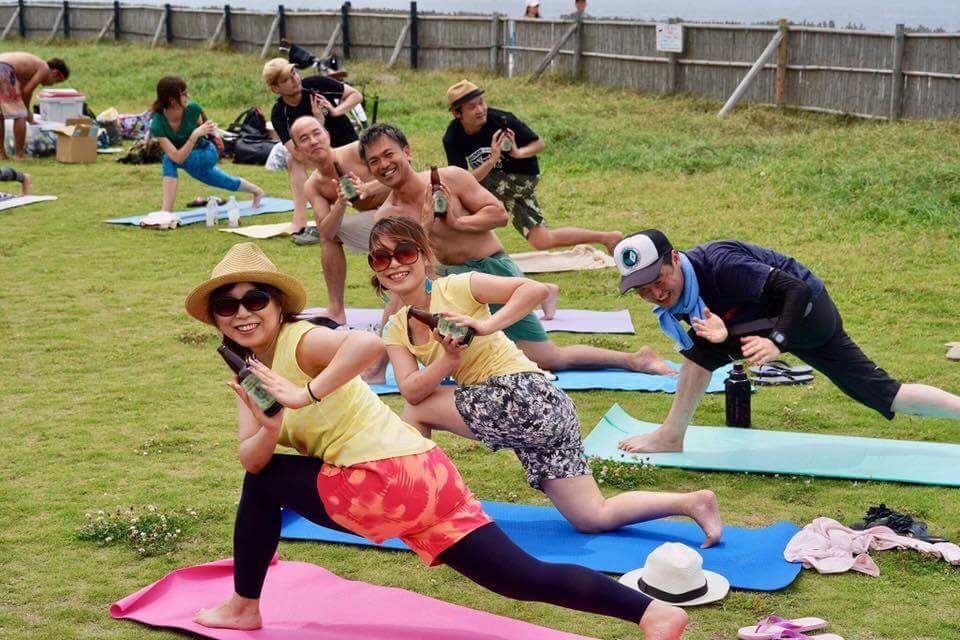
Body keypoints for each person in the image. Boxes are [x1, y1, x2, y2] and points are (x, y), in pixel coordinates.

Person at [184, 241, 688, 640]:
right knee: (518, 577)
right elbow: (250, 457)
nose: (243, 313)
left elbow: (363, 342)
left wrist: (303, 394)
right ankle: (651, 613)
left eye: (255, 300)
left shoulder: (303, 340)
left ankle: (243, 605)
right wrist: (271, 426)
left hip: (383, 479)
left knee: (269, 484)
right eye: (228, 306)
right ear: (216, 318)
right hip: (424, 473)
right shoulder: (251, 373)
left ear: (277, 306)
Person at [371, 216, 723, 545]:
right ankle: (693, 502)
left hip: (524, 396)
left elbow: (533, 290)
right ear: (374, 269)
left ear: (424, 254)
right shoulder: (395, 328)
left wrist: (487, 325)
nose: (396, 264)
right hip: (545, 411)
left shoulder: (459, 286)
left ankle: (415, 503)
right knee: (592, 516)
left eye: (404, 252)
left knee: (416, 413)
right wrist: (448, 359)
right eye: (381, 258)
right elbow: (410, 388)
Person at [362, 123, 675, 375]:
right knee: (406, 297)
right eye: (374, 161)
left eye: (389, 154)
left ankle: (636, 359)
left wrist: (456, 223)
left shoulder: (451, 178)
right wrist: (427, 226)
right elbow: (402, 276)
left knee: (546, 357)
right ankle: (378, 365)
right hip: (447, 281)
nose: (384, 165)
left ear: (407, 152)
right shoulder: (386, 217)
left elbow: (498, 214)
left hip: (488, 270)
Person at [613, 230, 960, 453]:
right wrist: (725, 337)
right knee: (702, 351)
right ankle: (672, 435)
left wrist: (777, 341)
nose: (657, 293)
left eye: (659, 279)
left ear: (675, 257)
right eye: (644, 291)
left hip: (809, 315)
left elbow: (798, 290)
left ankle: (671, 435)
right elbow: (724, 330)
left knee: (883, 395)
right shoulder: (683, 293)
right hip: (758, 321)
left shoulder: (721, 266)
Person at [443, 81, 622, 253]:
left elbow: (539, 144)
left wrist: (517, 153)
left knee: (460, 197)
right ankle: (607, 237)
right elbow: (462, 180)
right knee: (542, 240)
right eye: (472, 107)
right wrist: (492, 159)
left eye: (481, 103)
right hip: (497, 179)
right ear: (457, 113)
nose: (480, 110)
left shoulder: (502, 120)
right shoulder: (452, 137)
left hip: (522, 176)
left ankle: (468, 249)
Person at [288, 115, 390, 326]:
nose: (313, 141)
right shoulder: (313, 185)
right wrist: (340, 204)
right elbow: (326, 231)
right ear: (297, 150)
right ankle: (336, 309)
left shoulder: (357, 150)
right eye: (304, 138)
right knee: (329, 239)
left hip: (407, 209)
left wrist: (367, 188)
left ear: (327, 135)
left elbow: (404, 171)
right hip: (380, 221)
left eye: (316, 133)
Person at [263, 58, 363, 244]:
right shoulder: (279, 113)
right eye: (286, 79)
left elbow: (355, 95)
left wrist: (335, 111)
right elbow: (297, 152)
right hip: (321, 158)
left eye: (294, 73)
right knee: (294, 161)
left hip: (349, 150)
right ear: (276, 88)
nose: (294, 79)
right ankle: (300, 223)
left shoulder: (316, 85)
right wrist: (319, 123)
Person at [150, 76, 263, 213]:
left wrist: (212, 135)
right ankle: (257, 191)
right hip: (188, 158)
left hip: (206, 153)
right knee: (223, 180)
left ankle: (166, 212)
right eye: (183, 94)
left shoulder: (193, 109)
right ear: (171, 100)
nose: (188, 96)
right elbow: (178, 158)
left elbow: (207, 127)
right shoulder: (157, 124)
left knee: (168, 160)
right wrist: (194, 135)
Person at [0, 52, 68, 160]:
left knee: (1, 114)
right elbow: (26, 92)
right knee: (19, 114)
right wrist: (27, 113)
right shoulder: (44, 68)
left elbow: (23, 91)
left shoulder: (28, 69)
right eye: (55, 81)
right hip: (4, 69)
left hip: (3, 64)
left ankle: (1, 153)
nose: (52, 84)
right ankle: (19, 154)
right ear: (55, 73)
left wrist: (29, 114)